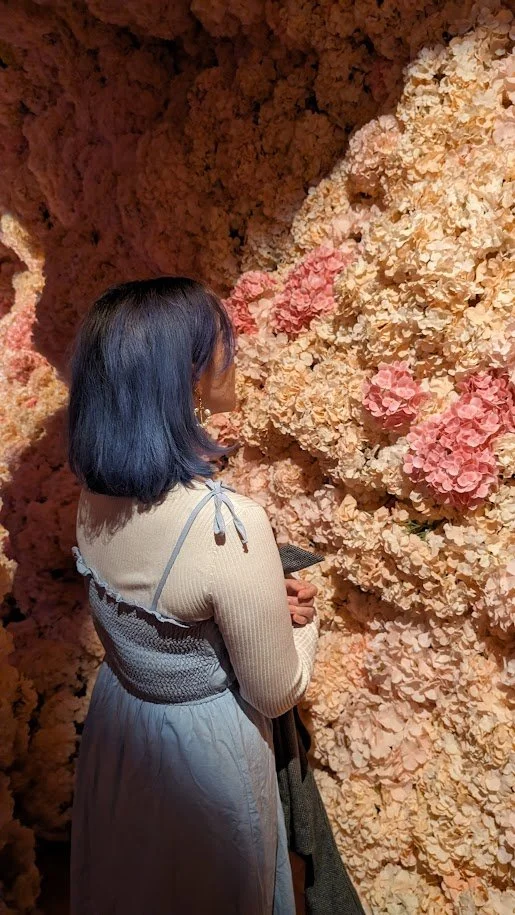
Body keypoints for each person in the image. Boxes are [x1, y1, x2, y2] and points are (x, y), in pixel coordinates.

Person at [66, 276, 320, 915]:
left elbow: (158, 617)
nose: (231, 355)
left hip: (122, 726)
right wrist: (307, 623)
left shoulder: (95, 491)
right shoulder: (226, 522)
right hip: (203, 754)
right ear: (181, 374)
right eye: (220, 343)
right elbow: (275, 690)